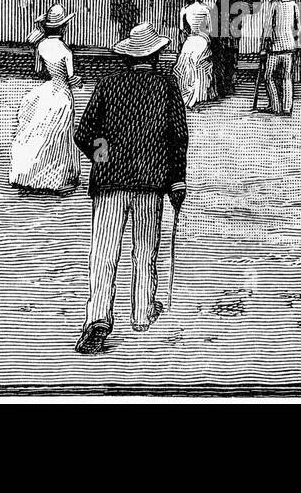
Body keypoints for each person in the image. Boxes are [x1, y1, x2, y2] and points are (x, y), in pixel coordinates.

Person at [73, 22, 188, 354]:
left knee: (104, 252)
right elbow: (178, 138)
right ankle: (141, 312)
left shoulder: (108, 85)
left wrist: (103, 154)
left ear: (127, 58)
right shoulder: (166, 87)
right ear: (155, 56)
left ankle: (97, 317)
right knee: (144, 250)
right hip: (152, 182)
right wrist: (177, 180)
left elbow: (84, 133)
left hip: (110, 180)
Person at [10, 5, 83, 195]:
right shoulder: (66, 51)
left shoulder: (41, 46)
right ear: (63, 28)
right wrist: (78, 82)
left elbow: (38, 71)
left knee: (38, 131)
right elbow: (70, 77)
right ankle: (57, 177)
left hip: (46, 90)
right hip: (62, 92)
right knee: (60, 134)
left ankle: (31, 174)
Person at [261, 0, 301, 115]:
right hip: (289, 47)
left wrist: (264, 46)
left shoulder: (275, 5)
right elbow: (298, 28)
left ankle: (275, 106)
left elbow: (267, 28)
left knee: (269, 76)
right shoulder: (294, 5)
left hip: (275, 48)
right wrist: (293, 41)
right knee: (287, 77)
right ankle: (287, 107)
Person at [173, 0, 215, 108]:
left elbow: (182, 30)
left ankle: (188, 95)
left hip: (191, 40)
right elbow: (211, 29)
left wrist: (182, 43)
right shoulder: (206, 9)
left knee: (185, 66)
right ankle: (199, 95)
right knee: (198, 66)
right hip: (202, 40)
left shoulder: (185, 10)